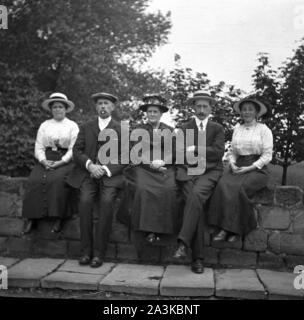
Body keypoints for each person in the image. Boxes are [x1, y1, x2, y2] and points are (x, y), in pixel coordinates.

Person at [66, 92, 125, 268]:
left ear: (113, 107)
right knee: (84, 202)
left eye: (106, 103)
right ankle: (85, 251)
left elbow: (125, 156)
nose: (103, 107)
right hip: (88, 174)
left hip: (110, 176)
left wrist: (105, 169)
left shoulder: (121, 129)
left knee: (107, 203)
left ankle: (99, 254)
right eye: (100, 103)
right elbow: (77, 151)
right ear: (96, 107)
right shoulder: (86, 127)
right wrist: (90, 165)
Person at [173, 90, 225, 274]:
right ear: (193, 108)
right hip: (187, 172)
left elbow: (218, 152)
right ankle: (198, 259)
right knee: (196, 206)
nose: (202, 110)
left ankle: (182, 242)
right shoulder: (184, 127)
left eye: (205, 106)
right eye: (198, 106)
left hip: (209, 172)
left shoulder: (217, 128)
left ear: (211, 108)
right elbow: (178, 154)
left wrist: (196, 148)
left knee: (195, 196)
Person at [208, 96, 273, 241]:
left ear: (257, 112)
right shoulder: (237, 128)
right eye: (244, 109)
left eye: (250, 109)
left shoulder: (264, 130)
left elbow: (267, 155)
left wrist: (250, 168)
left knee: (239, 188)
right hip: (238, 165)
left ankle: (232, 230)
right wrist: (232, 163)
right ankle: (217, 224)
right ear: (241, 112)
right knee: (222, 185)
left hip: (257, 168)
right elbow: (233, 151)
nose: (247, 112)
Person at [22, 93, 79, 234]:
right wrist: (42, 160)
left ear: (65, 109)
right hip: (46, 157)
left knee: (57, 180)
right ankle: (32, 218)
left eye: (60, 107)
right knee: (34, 180)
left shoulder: (72, 126)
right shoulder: (44, 125)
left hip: (65, 158)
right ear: (51, 109)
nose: (58, 109)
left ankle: (58, 217)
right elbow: (39, 146)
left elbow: (74, 148)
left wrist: (61, 162)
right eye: (55, 107)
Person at [129, 94, 178, 243]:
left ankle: (162, 230)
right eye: (149, 111)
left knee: (169, 189)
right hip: (144, 167)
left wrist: (162, 162)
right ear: (146, 113)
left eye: (155, 112)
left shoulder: (169, 130)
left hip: (165, 167)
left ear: (161, 113)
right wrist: (150, 164)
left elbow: (175, 152)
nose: (152, 114)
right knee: (143, 188)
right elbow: (134, 152)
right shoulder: (138, 130)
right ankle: (147, 229)